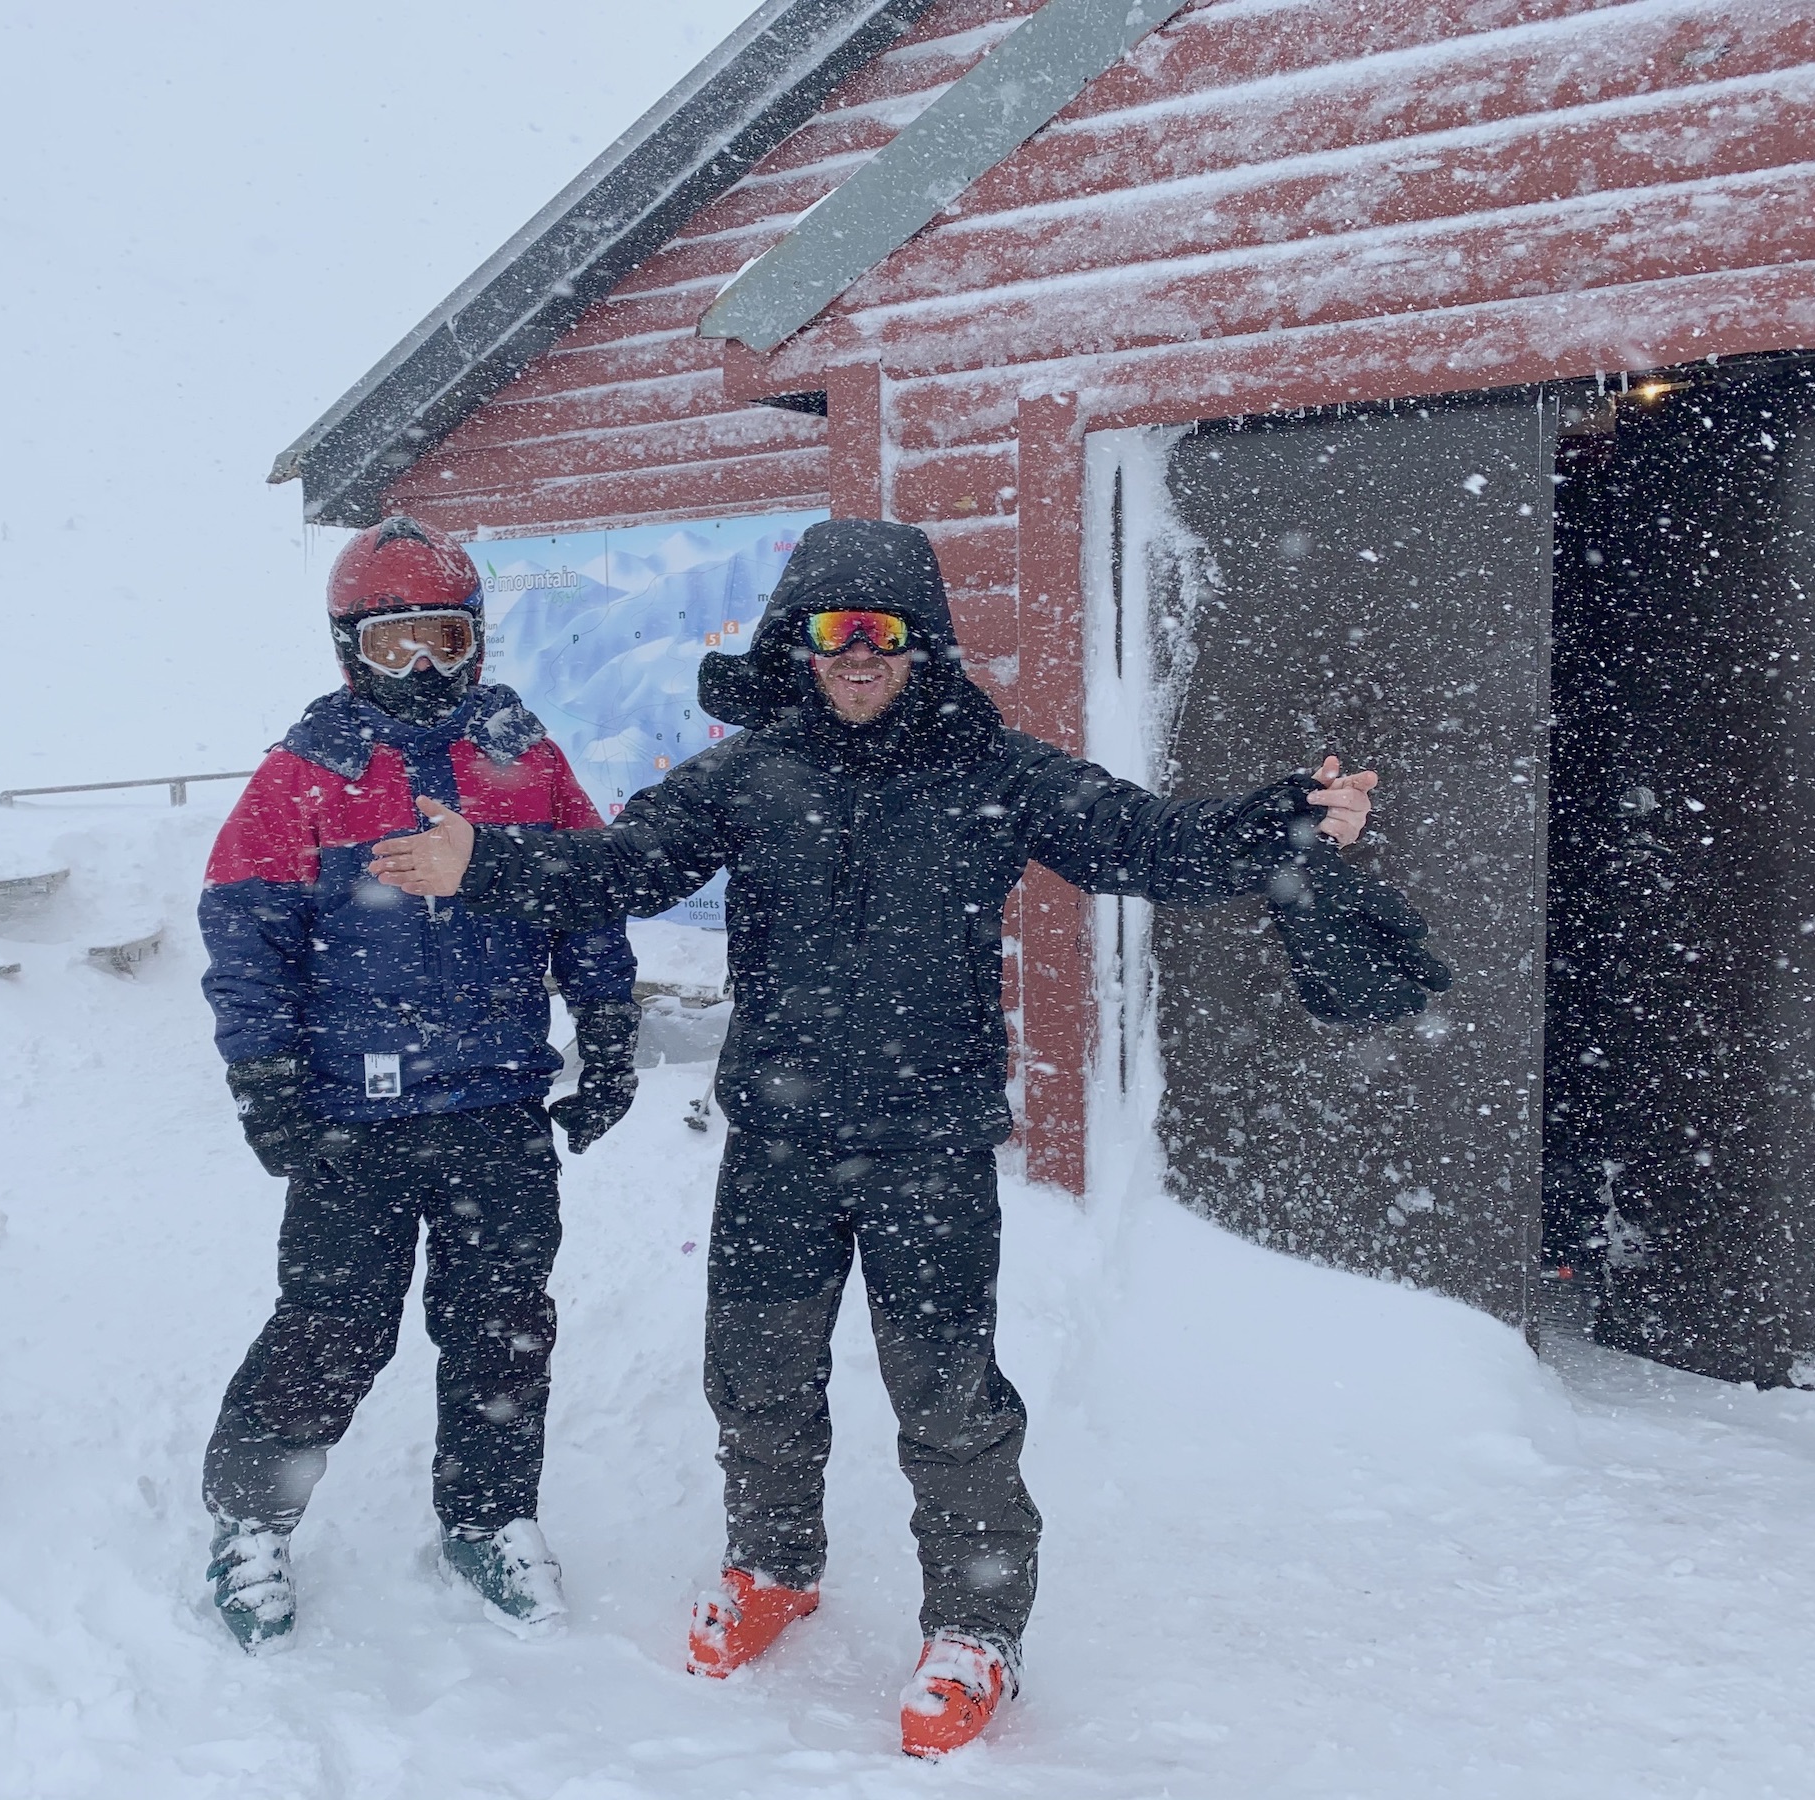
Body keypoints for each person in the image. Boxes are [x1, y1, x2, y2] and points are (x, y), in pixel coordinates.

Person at [369, 518, 1446, 1755]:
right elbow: (624, 867)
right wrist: (485, 862)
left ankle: (976, 1628)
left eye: (882, 630)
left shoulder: (994, 772)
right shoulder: (749, 774)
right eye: (835, 629)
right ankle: (774, 1565)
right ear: (802, 641)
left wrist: (1282, 820)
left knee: (948, 1397)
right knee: (758, 1377)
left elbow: (1146, 841)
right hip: (777, 1144)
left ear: (919, 642)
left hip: (930, 1143)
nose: (859, 652)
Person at [197, 516, 642, 1650]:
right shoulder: (310, 771)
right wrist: (264, 1073)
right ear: (350, 649)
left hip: (496, 1104)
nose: (425, 669)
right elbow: (244, 930)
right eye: (394, 645)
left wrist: (608, 1027)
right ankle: (252, 1520)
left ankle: (489, 1518)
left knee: (503, 1327)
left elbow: (587, 895)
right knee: (332, 1325)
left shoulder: (523, 757)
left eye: (443, 640)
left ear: (477, 639)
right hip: (356, 1115)